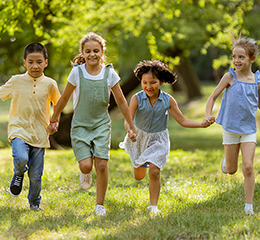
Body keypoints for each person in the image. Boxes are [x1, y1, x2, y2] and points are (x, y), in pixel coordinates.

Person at [48, 32, 136, 216]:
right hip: (80, 125)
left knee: (102, 165)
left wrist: (131, 125)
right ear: (82, 52)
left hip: (101, 125)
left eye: (96, 50)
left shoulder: (109, 73)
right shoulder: (76, 72)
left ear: (102, 52)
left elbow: (121, 101)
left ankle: (99, 205)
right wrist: (54, 117)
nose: (92, 54)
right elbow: (64, 97)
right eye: (88, 51)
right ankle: (85, 173)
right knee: (86, 165)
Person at [120, 60, 213, 214]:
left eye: (153, 82)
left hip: (158, 139)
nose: (148, 86)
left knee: (155, 171)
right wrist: (131, 131)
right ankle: (138, 165)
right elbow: (128, 120)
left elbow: (182, 120)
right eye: (145, 82)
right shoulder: (136, 98)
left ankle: (153, 207)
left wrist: (201, 124)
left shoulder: (168, 100)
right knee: (138, 176)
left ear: (161, 82)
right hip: (138, 138)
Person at [0, 43, 61, 210]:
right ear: (24, 62)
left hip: (40, 134)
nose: (35, 66)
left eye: (39, 62)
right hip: (18, 129)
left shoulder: (49, 84)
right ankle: (18, 174)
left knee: (36, 176)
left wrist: (55, 121)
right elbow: (1, 93)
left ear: (45, 63)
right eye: (31, 62)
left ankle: (34, 203)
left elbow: (58, 103)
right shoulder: (16, 81)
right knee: (20, 158)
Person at [205, 35, 260, 215]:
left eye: (241, 57)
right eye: (234, 57)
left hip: (249, 130)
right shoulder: (230, 76)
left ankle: (248, 206)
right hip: (230, 128)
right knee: (231, 170)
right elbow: (212, 97)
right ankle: (227, 162)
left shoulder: (257, 80)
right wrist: (208, 114)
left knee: (249, 167)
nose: (236, 60)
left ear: (252, 59)